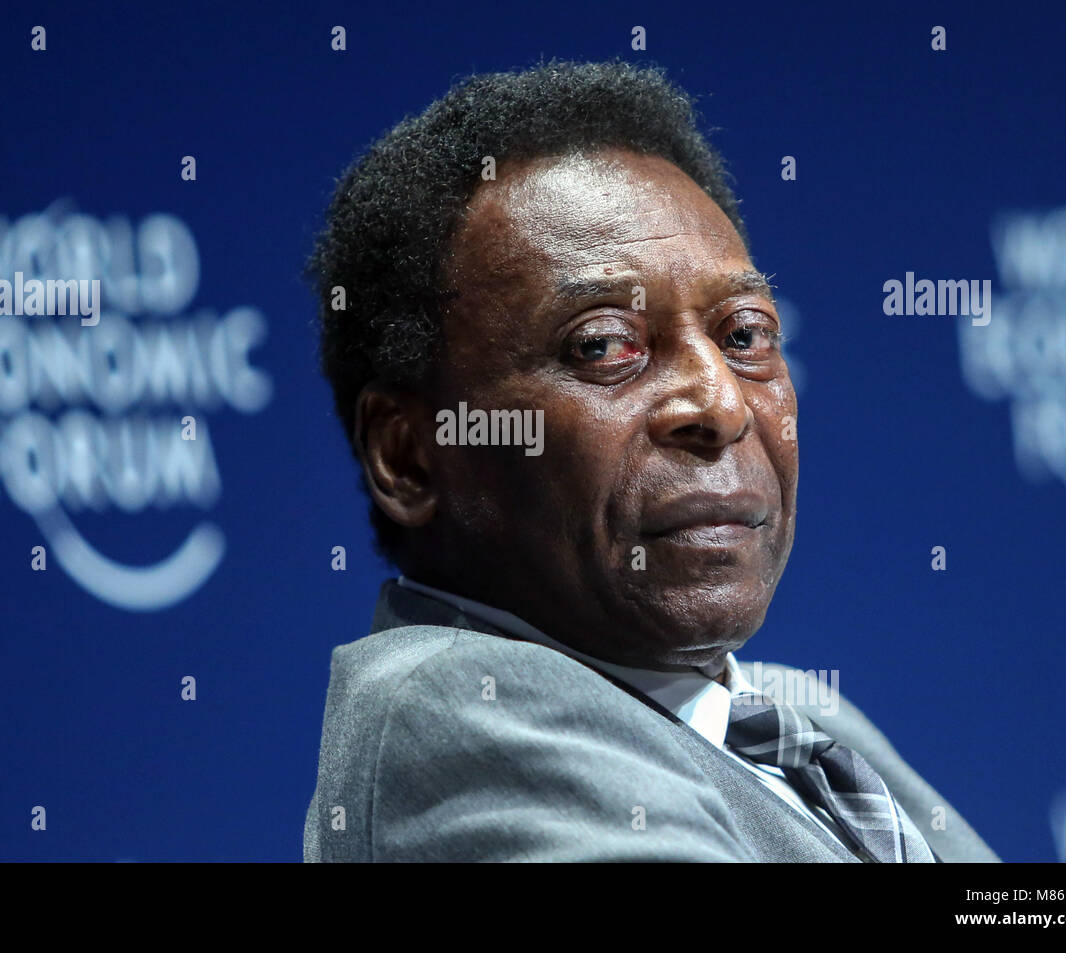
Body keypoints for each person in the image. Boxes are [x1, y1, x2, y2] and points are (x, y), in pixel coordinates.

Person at [301, 58, 999, 862]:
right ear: (409, 457)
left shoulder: (800, 719)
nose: (720, 404)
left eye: (744, 336)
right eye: (602, 346)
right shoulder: (465, 713)